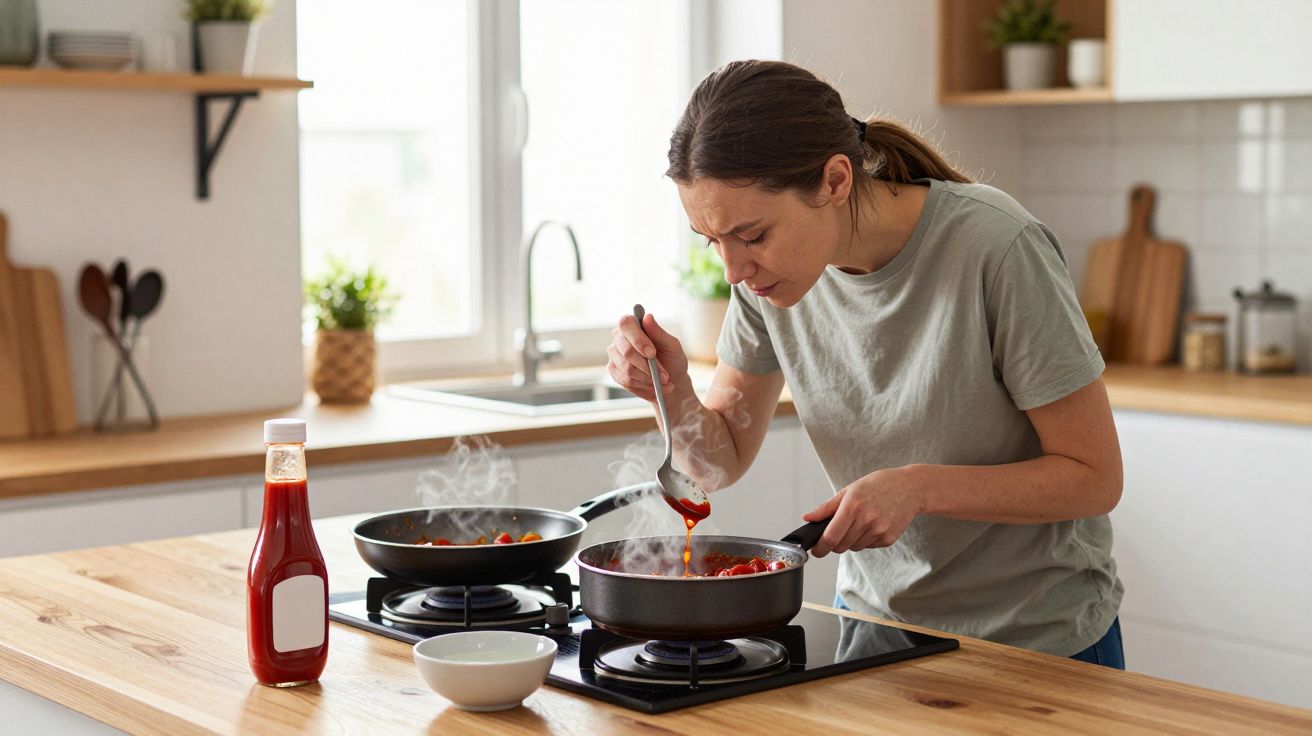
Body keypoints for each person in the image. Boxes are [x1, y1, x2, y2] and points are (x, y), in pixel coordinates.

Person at [606, 60, 1125, 669]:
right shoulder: (766, 284)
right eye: (711, 240)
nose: (732, 270)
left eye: (751, 234)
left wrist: (919, 486)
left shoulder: (997, 247)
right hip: (876, 629)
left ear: (834, 180)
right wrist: (673, 395)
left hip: (1038, 641)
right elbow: (717, 464)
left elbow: (1095, 478)